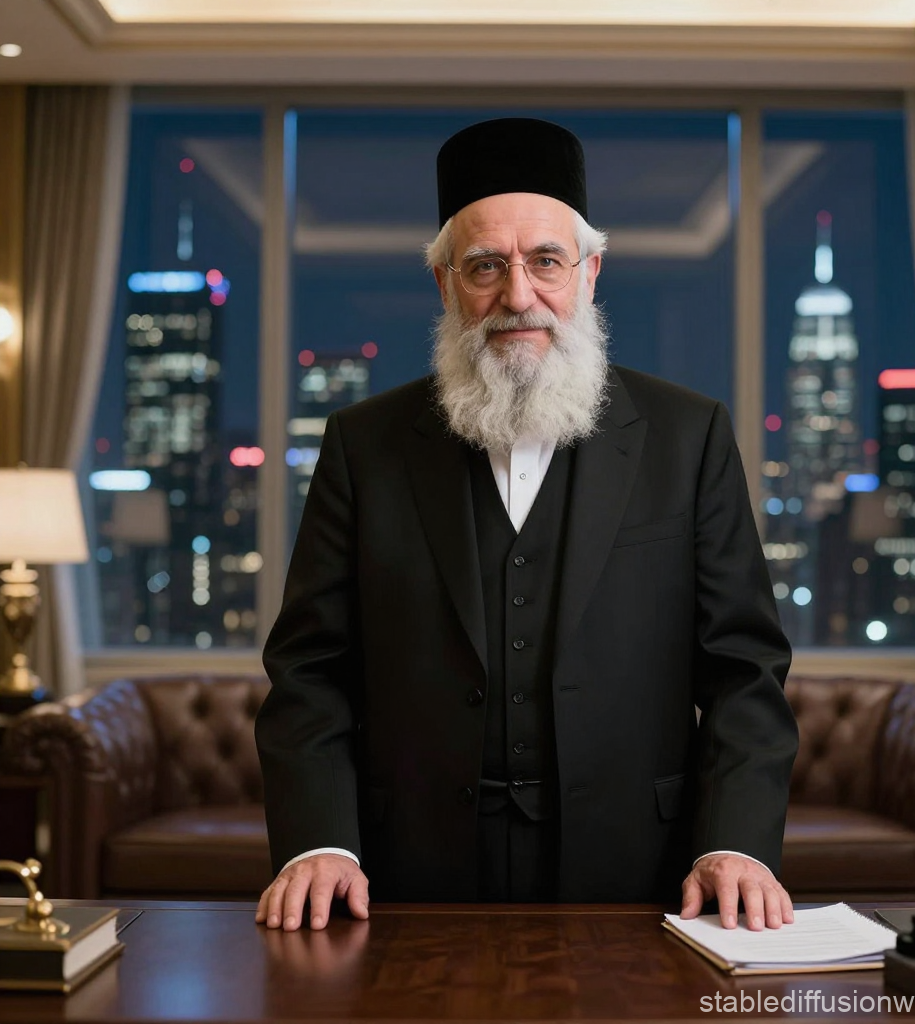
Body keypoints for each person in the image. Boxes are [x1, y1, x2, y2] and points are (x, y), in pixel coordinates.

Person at [255, 117, 799, 934]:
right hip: (403, 878)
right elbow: (310, 670)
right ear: (445, 284)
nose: (518, 296)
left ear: (588, 274)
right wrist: (318, 844)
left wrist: (738, 846)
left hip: (641, 876)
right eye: (485, 266)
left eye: (545, 261)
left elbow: (743, 670)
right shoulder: (363, 446)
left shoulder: (690, 437)